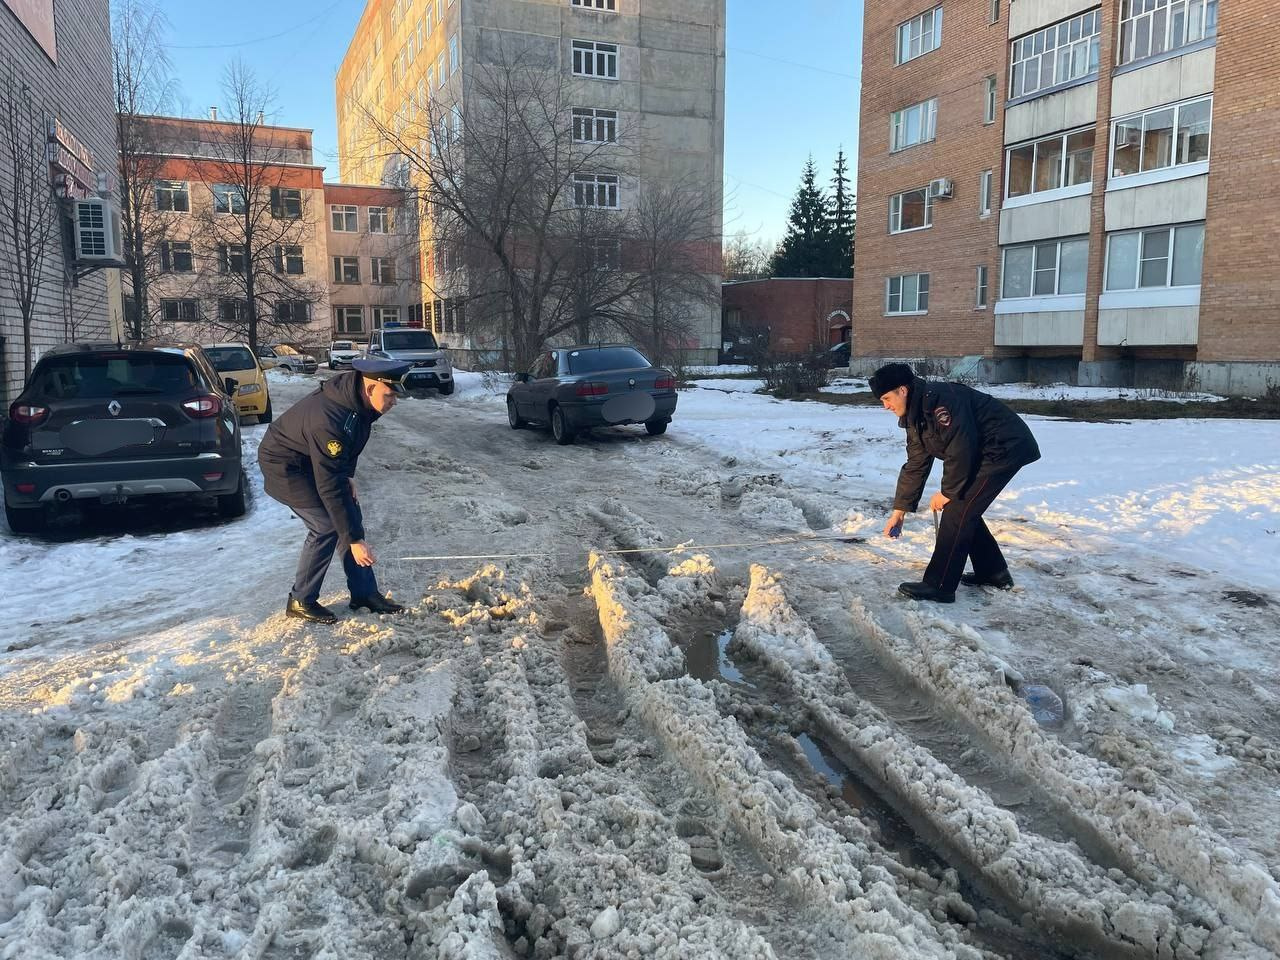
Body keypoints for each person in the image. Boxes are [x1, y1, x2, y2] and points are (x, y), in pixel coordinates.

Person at [258, 357, 412, 623]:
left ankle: (364, 594)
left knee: (348, 514)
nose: (394, 402)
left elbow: (349, 446)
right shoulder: (330, 419)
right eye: (389, 395)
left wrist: (348, 476)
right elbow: (329, 484)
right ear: (371, 388)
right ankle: (301, 600)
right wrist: (354, 540)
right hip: (286, 466)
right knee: (326, 526)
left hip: (313, 460)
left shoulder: (357, 402)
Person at [872, 362, 1040, 604]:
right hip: (986, 452)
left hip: (1004, 449)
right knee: (965, 509)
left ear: (903, 390)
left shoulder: (941, 402)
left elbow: (961, 448)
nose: (885, 406)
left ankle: (939, 585)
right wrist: (899, 512)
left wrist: (947, 492)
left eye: (887, 398)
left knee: (957, 510)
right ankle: (993, 572)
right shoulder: (915, 415)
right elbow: (916, 463)